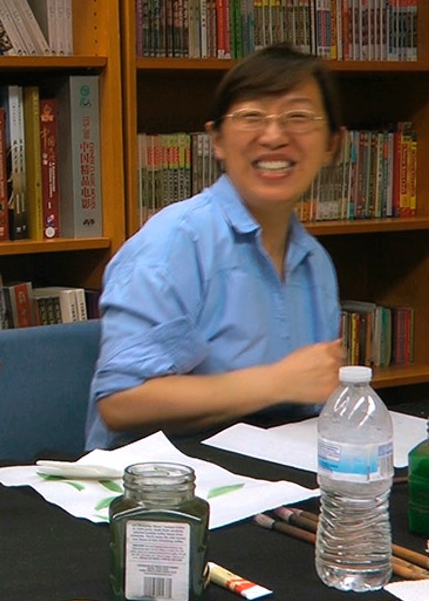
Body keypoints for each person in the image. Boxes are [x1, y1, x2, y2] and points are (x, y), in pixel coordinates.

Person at [85, 43, 347, 450]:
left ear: (332, 144)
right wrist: (276, 382)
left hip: (273, 474)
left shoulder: (315, 262)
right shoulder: (175, 243)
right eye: (251, 117)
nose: (274, 135)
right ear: (217, 141)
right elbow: (121, 401)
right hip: (166, 487)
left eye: (298, 116)